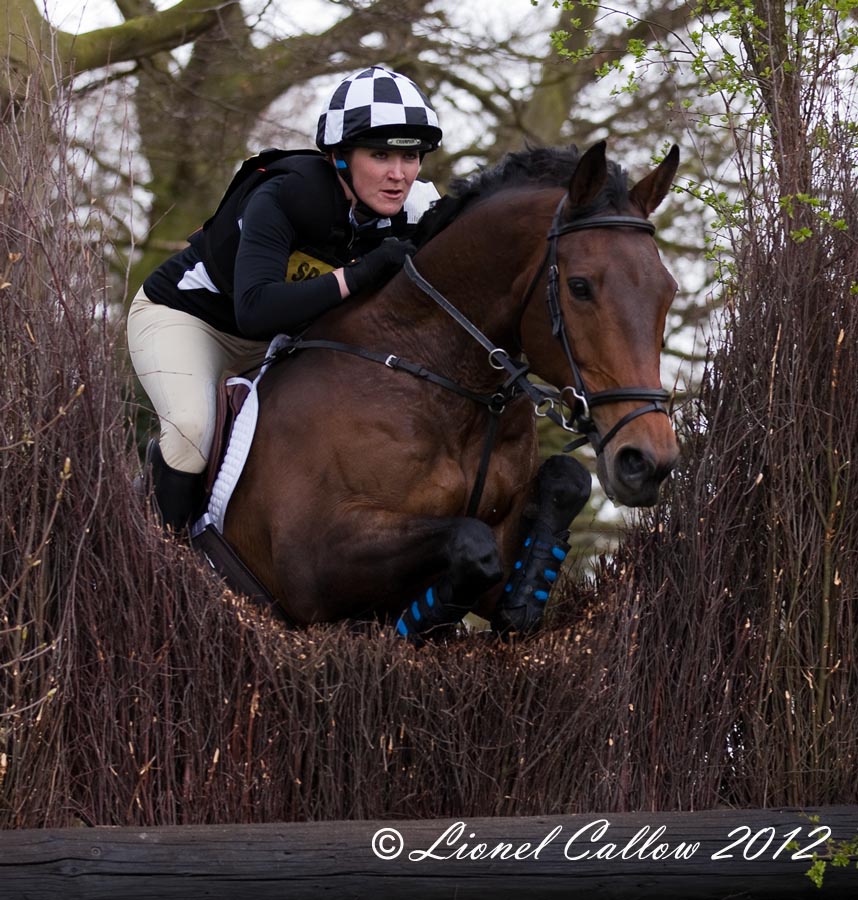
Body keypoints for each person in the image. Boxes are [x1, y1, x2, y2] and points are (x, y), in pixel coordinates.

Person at [128, 66, 443, 532]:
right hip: (189, 321)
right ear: (340, 157)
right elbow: (255, 311)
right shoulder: (287, 192)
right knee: (193, 430)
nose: (399, 175)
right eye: (380, 155)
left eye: (411, 156)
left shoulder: (414, 213)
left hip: (281, 340)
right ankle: (156, 564)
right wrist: (357, 276)